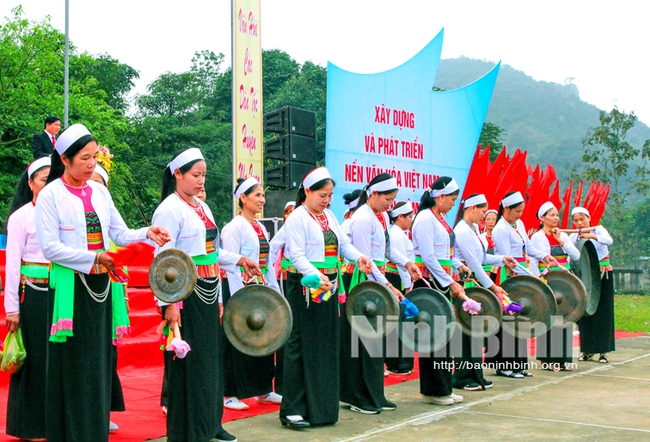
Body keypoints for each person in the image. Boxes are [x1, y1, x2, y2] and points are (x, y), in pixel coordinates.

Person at [34, 123, 171, 442]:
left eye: (95, 157)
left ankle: (94, 430)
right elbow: (50, 248)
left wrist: (147, 233)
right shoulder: (51, 195)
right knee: (74, 366)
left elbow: (119, 234)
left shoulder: (99, 191)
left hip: (102, 287)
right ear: (64, 159)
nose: (92, 163)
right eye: (85, 158)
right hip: (72, 289)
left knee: (97, 364)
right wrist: (95, 258)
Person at [152, 147, 260, 442]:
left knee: (211, 361)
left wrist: (240, 261)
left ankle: (211, 423)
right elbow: (164, 260)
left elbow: (211, 252)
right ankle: (189, 430)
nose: (201, 181)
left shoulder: (202, 207)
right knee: (190, 365)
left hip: (211, 290)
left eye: (204, 176)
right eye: (196, 175)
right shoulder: (169, 209)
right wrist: (169, 303)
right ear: (178, 174)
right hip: (186, 294)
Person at [279, 167, 373, 428]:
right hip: (305, 285)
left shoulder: (329, 216)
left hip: (328, 285)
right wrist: (315, 274)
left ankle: (322, 408)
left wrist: (359, 257)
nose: (327, 200)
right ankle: (293, 409)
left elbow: (343, 245)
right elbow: (296, 256)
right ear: (307, 191)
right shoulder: (297, 217)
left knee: (325, 344)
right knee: (300, 344)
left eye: (330, 195)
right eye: (322, 195)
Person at [339, 173, 410, 415]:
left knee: (375, 341)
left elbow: (387, 250)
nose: (390, 203)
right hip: (362, 281)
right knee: (363, 342)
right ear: (374, 194)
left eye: (393, 199)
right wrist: (389, 286)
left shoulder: (380, 217)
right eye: (387, 198)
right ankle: (360, 397)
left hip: (375, 280)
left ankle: (375, 394)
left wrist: (406, 262)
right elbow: (366, 260)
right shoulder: (362, 219)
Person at [221, 177, 282, 411]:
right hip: (240, 292)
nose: (262, 200)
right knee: (236, 340)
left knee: (262, 340)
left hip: (259, 292)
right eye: (257, 195)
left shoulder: (259, 227)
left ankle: (263, 389)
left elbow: (267, 264)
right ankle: (229, 392)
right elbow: (230, 264)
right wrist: (239, 300)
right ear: (242, 198)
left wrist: (274, 292)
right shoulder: (233, 227)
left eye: (262, 195)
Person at [411, 176, 469, 406]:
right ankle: (433, 389)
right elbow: (428, 257)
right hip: (430, 283)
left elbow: (445, 253)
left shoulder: (441, 218)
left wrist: (457, 266)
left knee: (445, 336)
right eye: (452, 199)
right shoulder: (425, 218)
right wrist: (449, 282)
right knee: (433, 338)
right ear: (440, 197)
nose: (454, 203)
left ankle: (444, 385)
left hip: (441, 281)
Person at [489, 191, 560, 378]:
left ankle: (519, 363)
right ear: (506, 209)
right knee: (508, 320)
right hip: (509, 277)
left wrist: (543, 256)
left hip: (521, 276)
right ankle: (504, 364)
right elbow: (509, 260)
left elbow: (527, 247)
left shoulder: (518, 224)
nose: (520, 215)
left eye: (521, 211)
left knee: (521, 319)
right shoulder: (500, 229)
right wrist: (530, 275)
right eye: (517, 211)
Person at [4, 156, 51, 440]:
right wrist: (12, 308)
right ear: (31, 183)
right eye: (44, 180)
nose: (48, 186)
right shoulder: (20, 217)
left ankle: (52, 422)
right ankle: (28, 427)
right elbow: (11, 265)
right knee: (33, 361)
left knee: (54, 359)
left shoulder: (61, 213)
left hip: (60, 292)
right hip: (31, 294)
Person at [452, 193, 516, 391]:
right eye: (482, 210)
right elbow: (474, 264)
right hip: (465, 284)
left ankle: (475, 374)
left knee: (475, 331)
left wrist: (502, 259)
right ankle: (463, 377)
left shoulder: (472, 230)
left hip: (474, 284)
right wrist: (493, 286)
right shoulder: (462, 230)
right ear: (472, 208)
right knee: (466, 332)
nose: (484, 215)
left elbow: (483, 259)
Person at [89, 162, 127, 432]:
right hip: (84, 285)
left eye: (99, 183)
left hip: (109, 293)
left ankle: (102, 410)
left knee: (107, 355)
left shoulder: (110, 228)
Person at [530, 202, 580, 372]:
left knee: (564, 317)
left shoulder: (563, 235)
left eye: (557, 215)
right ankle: (548, 358)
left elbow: (576, 254)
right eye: (551, 215)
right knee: (549, 317)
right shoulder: (537, 237)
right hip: (547, 280)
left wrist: (561, 240)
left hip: (564, 281)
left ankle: (564, 359)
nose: (555, 218)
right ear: (542, 218)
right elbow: (533, 261)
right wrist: (537, 279)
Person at [569, 207, 615, 364]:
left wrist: (593, 236)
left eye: (582, 219)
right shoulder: (574, 235)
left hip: (602, 274)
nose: (579, 223)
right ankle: (587, 350)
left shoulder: (599, 230)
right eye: (575, 220)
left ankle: (603, 351)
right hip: (585, 277)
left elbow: (609, 241)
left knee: (603, 311)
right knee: (585, 313)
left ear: (589, 218)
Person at [384, 201, 418, 375]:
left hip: (399, 278)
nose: (411, 220)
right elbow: (400, 262)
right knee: (399, 320)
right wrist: (407, 286)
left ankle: (399, 362)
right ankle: (397, 363)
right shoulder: (395, 234)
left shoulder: (400, 233)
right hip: (395, 278)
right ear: (400, 217)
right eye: (409, 217)